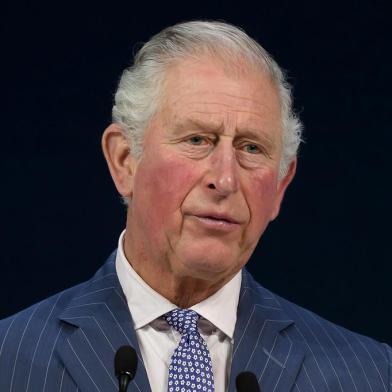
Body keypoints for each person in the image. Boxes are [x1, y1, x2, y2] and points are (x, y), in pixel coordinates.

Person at [0, 20, 390, 392]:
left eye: (251, 148)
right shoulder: (10, 358)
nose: (225, 179)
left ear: (281, 186)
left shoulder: (370, 374)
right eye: (197, 140)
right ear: (124, 160)